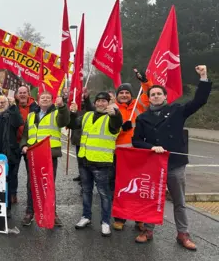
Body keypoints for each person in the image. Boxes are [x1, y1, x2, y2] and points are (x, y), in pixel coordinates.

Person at [132, 65, 212, 250]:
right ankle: (148, 230)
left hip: (175, 165)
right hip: (154, 164)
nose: (156, 96)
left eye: (159, 94)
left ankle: (183, 234)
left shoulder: (177, 111)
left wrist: (203, 77)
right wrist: (151, 147)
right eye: (152, 95)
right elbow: (136, 141)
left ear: (165, 97)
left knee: (179, 201)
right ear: (148, 98)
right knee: (151, 199)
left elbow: (199, 101)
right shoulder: (143, 118)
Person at [71, 92, 122, 237]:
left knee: (104, 194)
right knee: (86, 191)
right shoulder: (88, 115)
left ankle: (105, 222)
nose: (100, 104)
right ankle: (86, 217)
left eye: (103, 101)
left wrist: (116, 114)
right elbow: (74, 124)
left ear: (108, 103)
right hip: (84, 160)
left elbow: (117, 124)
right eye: (98, 101)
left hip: (101, 163)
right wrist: (73, 113)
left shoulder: (111, 117)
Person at [20, 90, 70, 227]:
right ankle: (30, 212)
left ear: (52, 100)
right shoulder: (31, 115)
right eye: (43, 97)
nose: (45, 99)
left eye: (48, 98)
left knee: (48, 185)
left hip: (49, 155)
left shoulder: (56, 113)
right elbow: (25, 133)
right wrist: (24, 145)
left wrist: (62, 106)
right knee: (31, 184)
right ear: (38, 99)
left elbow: (65, 120)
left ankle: (52, 214)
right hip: (33, 155)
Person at [112, 71, 153, 231]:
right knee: (121, 188)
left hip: (138, 154)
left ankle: (139, 218)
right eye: (121, 93)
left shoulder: (139, 104)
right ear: (117, 95)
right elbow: (109, 131)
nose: (124, 95)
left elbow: (149, 95)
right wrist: (122, 129)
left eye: (126, 92)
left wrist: (145, 82)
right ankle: (120, 217)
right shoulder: (113, 108)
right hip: (119, 155)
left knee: (138, 188)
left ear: (131, 94)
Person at [0, 74, 37, 203]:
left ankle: (32, 201)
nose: (22, 95)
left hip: (29, 144)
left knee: (32, 174)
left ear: (29, 94)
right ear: (17, 95)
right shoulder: (11, 104)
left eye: (25, 92)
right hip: (13, 144)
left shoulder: (35, 107)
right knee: (12, 172)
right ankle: (12, 194)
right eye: (20, 93)